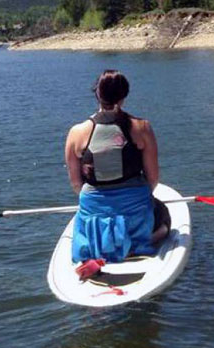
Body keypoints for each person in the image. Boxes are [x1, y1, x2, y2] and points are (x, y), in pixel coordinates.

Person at [64, 70, 170, 279]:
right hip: (134, 205)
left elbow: (76, 184)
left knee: (89, 209)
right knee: (165, 218)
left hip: (94, 206)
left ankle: (99, 244)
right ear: (124, 95)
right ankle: (138, 242)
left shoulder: (76, 132)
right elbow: (153, 178)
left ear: (97, 94)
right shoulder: (141, 127)